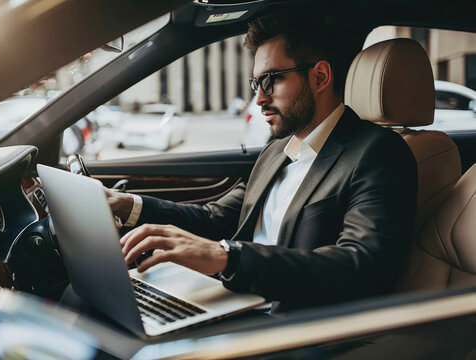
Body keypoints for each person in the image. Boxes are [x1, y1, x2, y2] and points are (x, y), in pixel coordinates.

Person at [106, 12, 417, 313]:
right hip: (236, 305)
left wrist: (229, 257)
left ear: (320, 76)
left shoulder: (378, 153)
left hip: (295, 327)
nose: (260, 99)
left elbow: (361, 264)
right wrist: (126, 205)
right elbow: (216, 219)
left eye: (272, 80)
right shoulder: (277, 150)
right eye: (258, 84)